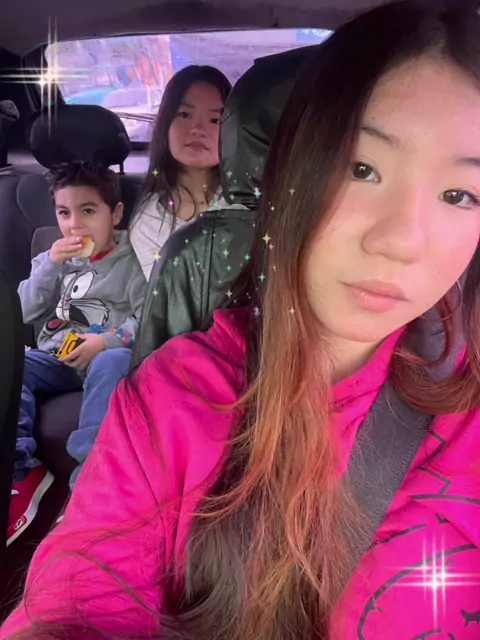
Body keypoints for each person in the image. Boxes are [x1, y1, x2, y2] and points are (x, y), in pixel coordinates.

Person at [3, 0, 480, 637]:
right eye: (361, 169)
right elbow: (78, 600)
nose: (402, 241)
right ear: (287, 172)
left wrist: (112, 337)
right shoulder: (174, 396)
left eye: (460, 194)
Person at [8, 161, 146, 546]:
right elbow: (21, 312)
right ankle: (20, 471)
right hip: (56, 358)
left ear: (115, 214)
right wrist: (51, 266)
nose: (75, 225)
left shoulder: (133, 260)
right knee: (13, 363)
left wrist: (107, 341)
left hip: (105, 357)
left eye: (88, 211)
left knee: (113, 361)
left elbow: (147, 317)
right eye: (64, 213)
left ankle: (88, 482)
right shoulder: (52, 259)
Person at [129, 65, 232, 281]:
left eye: (215, 120)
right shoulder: (148, 222)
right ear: (165, 124)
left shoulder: (247, 202)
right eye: (185, 114)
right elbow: (166, 295)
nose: (197, 129)